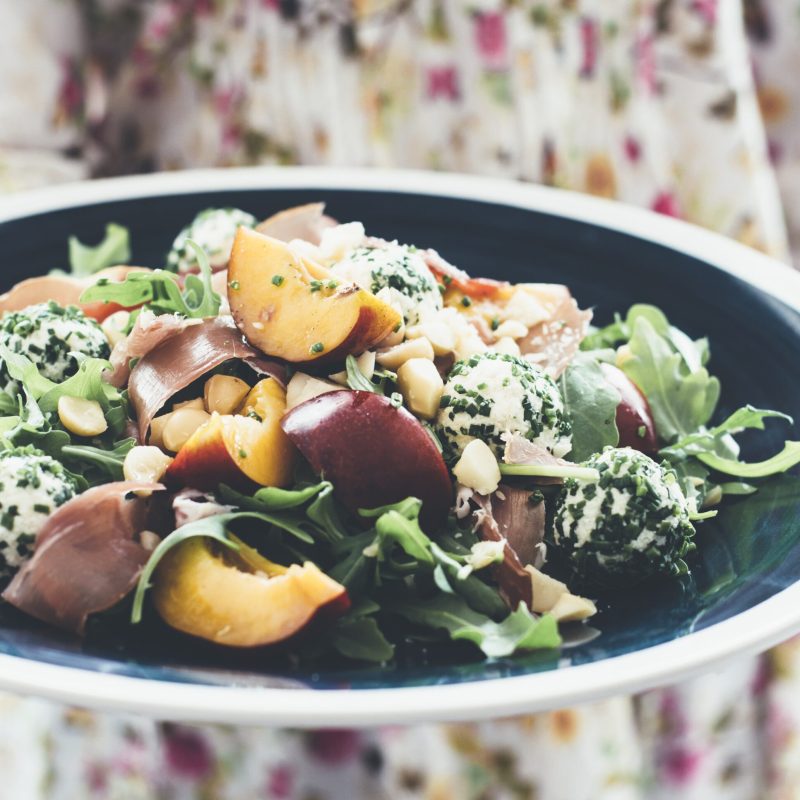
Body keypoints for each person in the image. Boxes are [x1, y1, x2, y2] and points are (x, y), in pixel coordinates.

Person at [0, 1, 798, 797]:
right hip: (181, 686)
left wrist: (758, 285)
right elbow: (19, 135)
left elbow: (760, 80)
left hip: (622, 226)